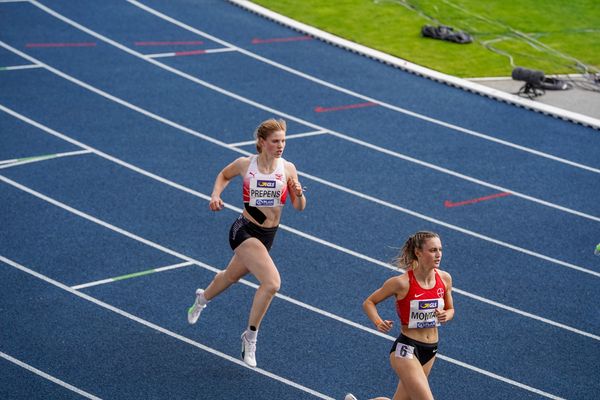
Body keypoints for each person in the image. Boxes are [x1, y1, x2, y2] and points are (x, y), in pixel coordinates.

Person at [187, 118, 306, 368]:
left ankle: (202, 298)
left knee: (230, 276)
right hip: (244, 230)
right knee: (272, 283)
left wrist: (299, 191)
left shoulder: (287, 168)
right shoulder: (245, 164)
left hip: (268, 235)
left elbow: (299, 206)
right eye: (275, 141)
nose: (281, 145)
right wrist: (215, 195)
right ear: (262, 142)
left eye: (283, 140)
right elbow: (223, 175)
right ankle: (250, 336)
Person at [346, 231, 454, 400]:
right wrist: (378, 322)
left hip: (431, 349)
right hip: (406, 349)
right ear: (418, 252)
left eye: (440, 249)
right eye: (433, 250)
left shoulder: (445, 279)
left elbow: (451, 309)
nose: (438, 254)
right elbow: (369, 302)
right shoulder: (401, 283)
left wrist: (446, 315)